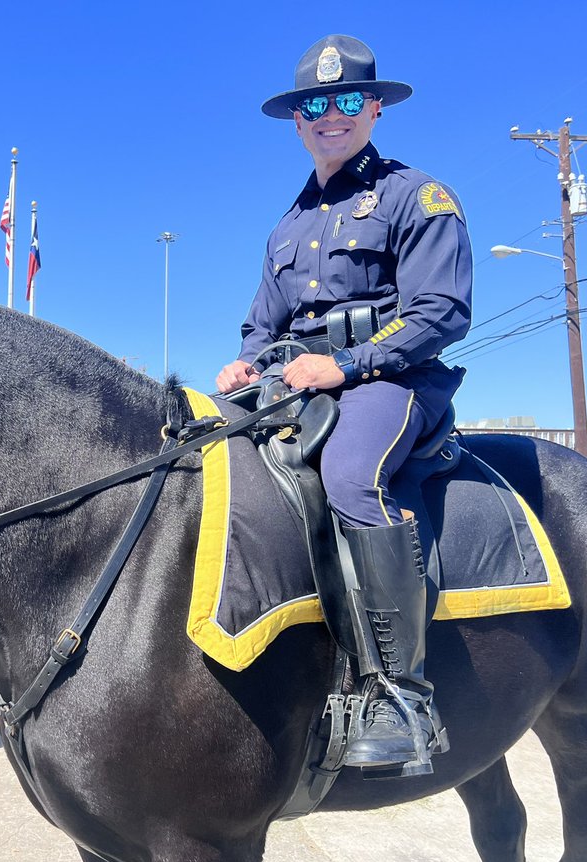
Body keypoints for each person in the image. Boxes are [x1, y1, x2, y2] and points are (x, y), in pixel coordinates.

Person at [216, 35, 471, 776]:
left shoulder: (416, 195)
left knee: (353, 477)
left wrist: (348, 363)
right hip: (292, 382)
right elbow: (262, 325)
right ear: (298, 120)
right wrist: (245, 361)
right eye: (314, 105)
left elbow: (441, 312)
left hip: (390, 380)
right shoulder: (286, 226)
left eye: (346, 100)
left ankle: (398, 694)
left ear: (376, 107)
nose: (329, 115)